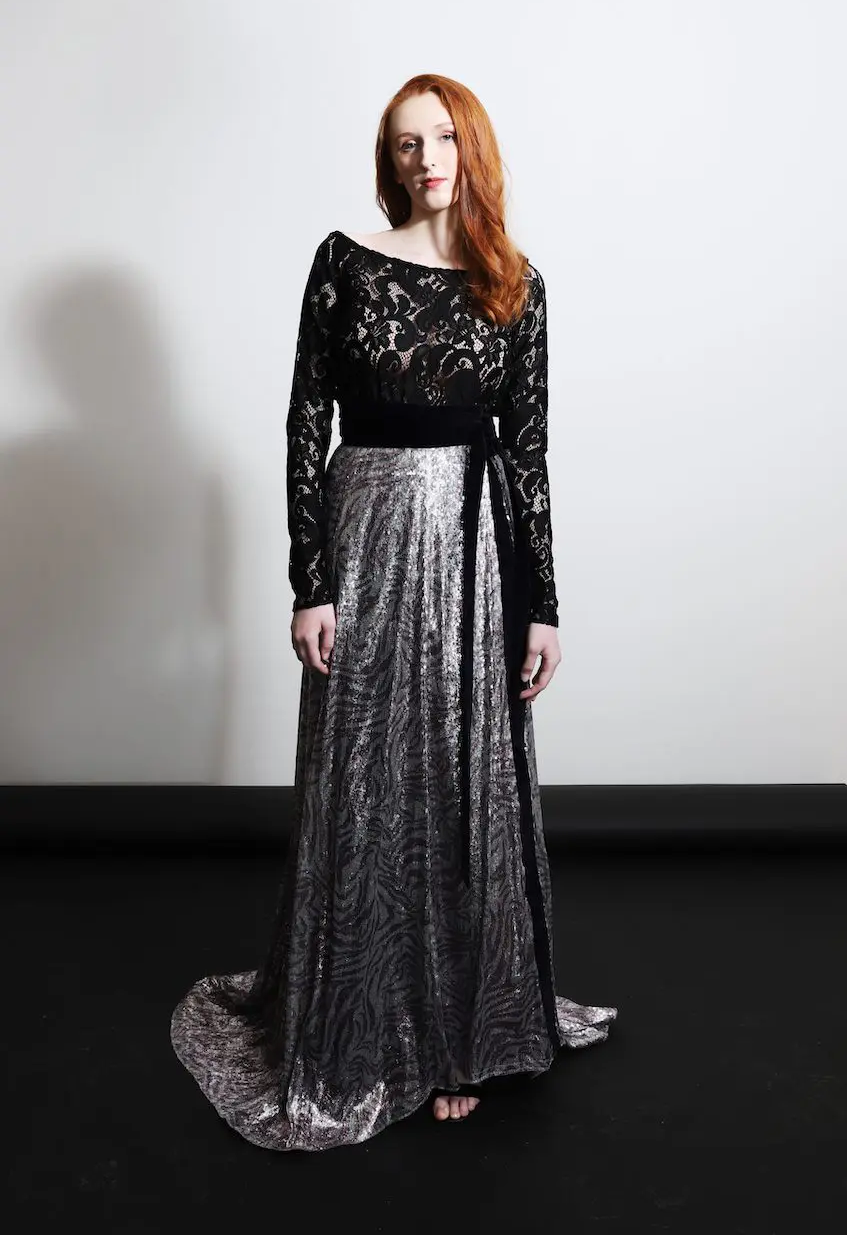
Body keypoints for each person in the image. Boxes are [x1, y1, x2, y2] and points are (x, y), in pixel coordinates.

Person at [170, 73, 617, 1152]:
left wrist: (542, 606)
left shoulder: (517, 284)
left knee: (462, 777)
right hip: (367, 534)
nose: (426, 158)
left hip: (475, 550)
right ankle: (366, 1027)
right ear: (391, 159)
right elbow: (303, 422)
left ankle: (459, 1033)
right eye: (406, 142)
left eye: (442, 137)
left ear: (473, 148)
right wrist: (310, 580)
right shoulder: (345, 262)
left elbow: (528, 454)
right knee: (369, 774)